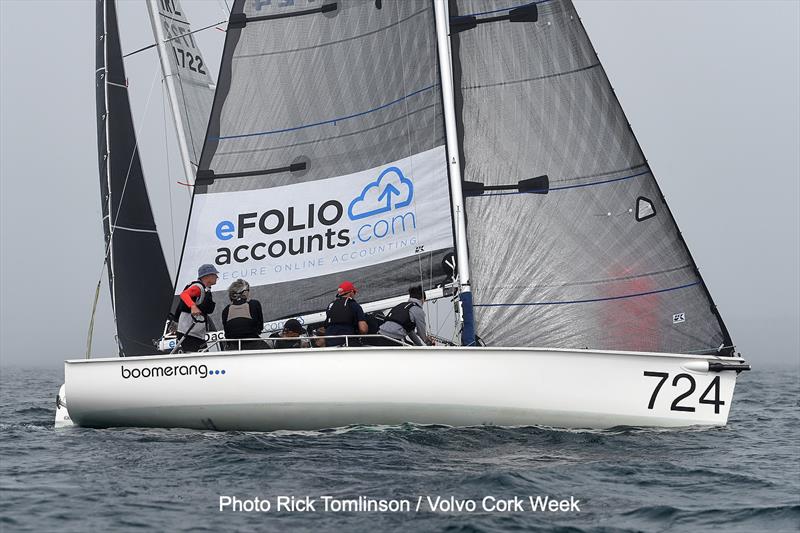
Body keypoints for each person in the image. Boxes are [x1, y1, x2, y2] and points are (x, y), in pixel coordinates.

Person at [175, 264, 218, 352]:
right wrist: (193, 306)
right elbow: (184, 294)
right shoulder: (198, 287)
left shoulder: (206, 289)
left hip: (196, 334)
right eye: (214, 275)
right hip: (188, 332)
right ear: (207, 277)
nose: (217, 277)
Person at [221, 279, 268, 350]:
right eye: (248, 290)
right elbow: (260, 327)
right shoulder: (254, 304)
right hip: (253, 343)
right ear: (245, 292)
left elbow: (227, 332)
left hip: (234, 346)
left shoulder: (226, 309)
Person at [323, 281, 368, 346]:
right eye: (354, 292)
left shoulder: (330, 305)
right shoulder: (354, 305)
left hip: (330, 343)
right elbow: (363, 329)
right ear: (351, 292)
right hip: (348, 343)